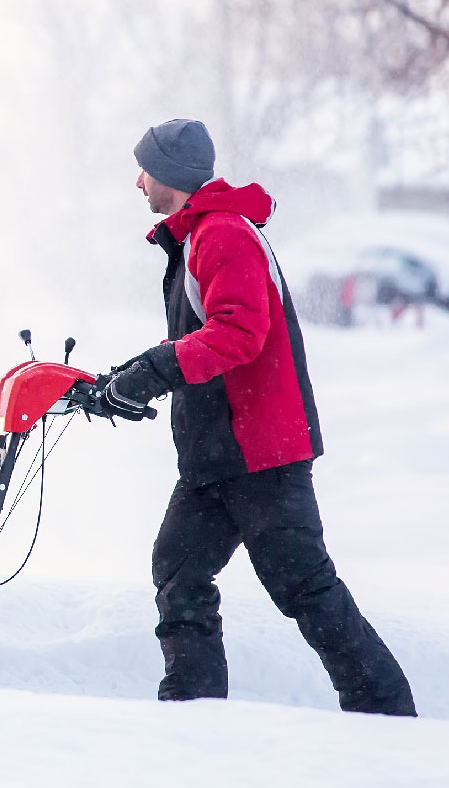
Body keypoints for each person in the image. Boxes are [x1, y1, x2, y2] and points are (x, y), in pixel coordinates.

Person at [96, 119, 417, 716]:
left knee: (304, 586)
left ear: (172, 174)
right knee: (179, 568)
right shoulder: (201, 235)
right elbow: (205, 338)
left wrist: (157, 369)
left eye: (145, 168)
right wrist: (134, 376)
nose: (137, 181)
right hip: (221, 452)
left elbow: (239, 335)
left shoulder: (222, 234)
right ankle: (193, 712)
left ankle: (385, 712)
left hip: (259, 450)